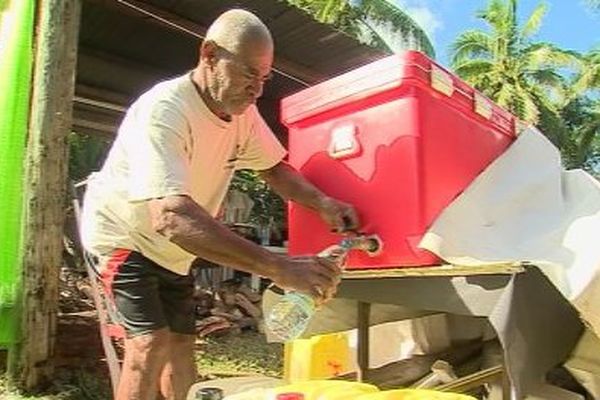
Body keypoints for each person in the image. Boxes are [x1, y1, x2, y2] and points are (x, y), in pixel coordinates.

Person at [81, 8, 359, 400]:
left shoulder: (241, 114)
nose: (257, 90)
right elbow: (171, 216)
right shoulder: (164, 110)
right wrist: (277, 266)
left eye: (264, 79)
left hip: (175, 251)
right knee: (150, 343)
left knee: (181, 350)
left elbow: (274, 169)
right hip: (125, 236)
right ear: (209, 55)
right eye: (248, 73)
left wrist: (324, 203)